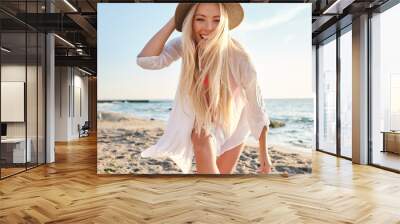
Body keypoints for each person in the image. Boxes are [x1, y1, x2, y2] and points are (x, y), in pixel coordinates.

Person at [137, 3, 272, 174]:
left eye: (216, 20)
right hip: (203, 123)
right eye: (200, 19)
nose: (209, 28)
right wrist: (176, 20)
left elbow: (256, 106)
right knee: (201, 139)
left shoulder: (239, 56)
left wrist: (264, 154)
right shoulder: (186, 44)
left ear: (224, 22)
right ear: (190, 21)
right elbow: (147, 61)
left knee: (220, 185)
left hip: (234, 123)